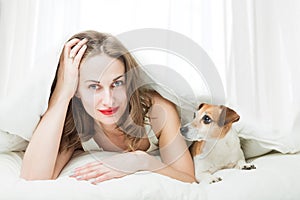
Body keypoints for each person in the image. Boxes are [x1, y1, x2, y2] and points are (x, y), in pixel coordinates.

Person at [20, 30, 195, 183]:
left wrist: (142, 161)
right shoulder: (75, 119)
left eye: (117, 83)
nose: (108, 100)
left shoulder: (156, 111)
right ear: (77, 89)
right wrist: (63, 92)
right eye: (94, 87)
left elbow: (188, 179)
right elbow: (33, 176)